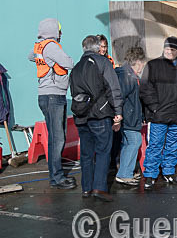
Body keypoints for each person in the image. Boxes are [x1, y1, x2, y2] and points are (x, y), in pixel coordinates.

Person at [69, 35, 124, 201]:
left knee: (86, 153)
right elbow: (113, 88)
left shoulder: (76, 68)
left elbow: (74, 92)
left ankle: (86, 188)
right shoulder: (103, 62)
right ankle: (99, 188)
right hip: (99, 114)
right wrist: (118, 111)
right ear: (97, 47)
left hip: (81, 115)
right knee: (103, 151)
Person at [139, 37, 177, 187]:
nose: (169, 51)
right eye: (166, 48)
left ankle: (169, 172)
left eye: (172, 49)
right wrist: (154, 107)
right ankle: (150, 175)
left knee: (173, 146)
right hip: (158, 115)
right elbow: (145, 89)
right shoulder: (153, 65)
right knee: (155, 145)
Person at [29, 18, 76, 189]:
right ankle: (57, 177)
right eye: (59, 30)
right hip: (53, 96)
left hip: (45, 95)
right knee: (58, 139)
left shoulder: (40, 46)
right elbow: (69, 63)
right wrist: (55, 59)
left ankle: (55, 176)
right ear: (52, 31)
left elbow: (31, 57)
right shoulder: (52, 46)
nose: (61, 33)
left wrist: (47, 60)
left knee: (54, 138)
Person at [114, 46, 146, 186]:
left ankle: (126, 171)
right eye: (142, 63)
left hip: (129, 116)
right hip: (128, 117)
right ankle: (124, 174)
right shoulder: (127, 76)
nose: (142, 67)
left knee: (129, 143)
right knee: (134, 142)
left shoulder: (127, 74)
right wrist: (118, 116)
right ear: (138, 62)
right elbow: (120, 98)